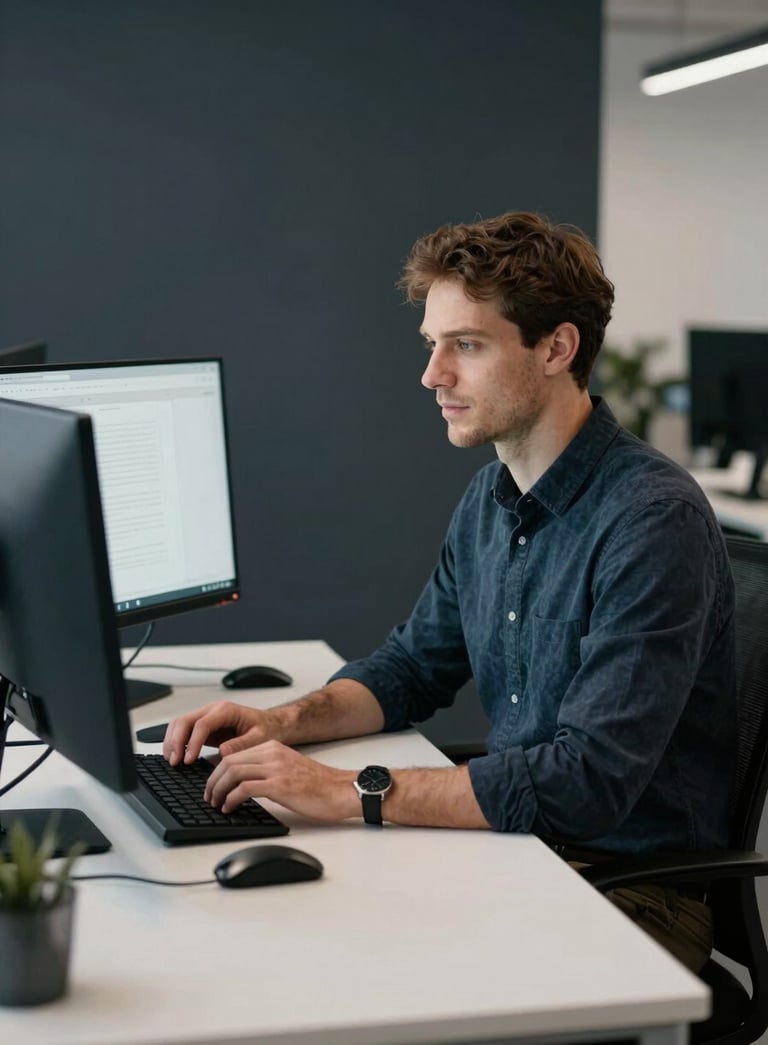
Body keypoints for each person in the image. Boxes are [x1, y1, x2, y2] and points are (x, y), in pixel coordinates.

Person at [164, 211, 735, 972]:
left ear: (556, 348)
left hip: (630, 897)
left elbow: (586, 783)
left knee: (350, 969)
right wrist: (281, 724)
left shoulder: (651, 520)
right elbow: (409, 669)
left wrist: (348, 791)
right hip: (520, 854)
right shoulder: (489, 499)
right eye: (433, 345)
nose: (433, 374)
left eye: (465, 345)